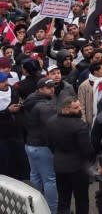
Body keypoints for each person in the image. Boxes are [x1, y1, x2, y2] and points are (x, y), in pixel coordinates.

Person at [46, 96, 94, 214]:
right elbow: (86, 149)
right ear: (66, 109)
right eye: (76, 107)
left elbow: (49, 143)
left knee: (63, 199)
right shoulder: (79, 125)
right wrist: (90, 160)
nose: (80, 109)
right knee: (81, 199)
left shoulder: (51, 121)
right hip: (78, 168)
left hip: (59, 165)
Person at [22, 77, 58, 214]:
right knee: (49, 179)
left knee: (35, 176)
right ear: (40, 89)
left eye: (52, 86)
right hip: (42, 147)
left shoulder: (31, 98)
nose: (52, 89)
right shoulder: (43, 106)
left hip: (30, 145)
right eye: (48, 87)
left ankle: (35, 209)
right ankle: (51, 210)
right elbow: (52, 127)